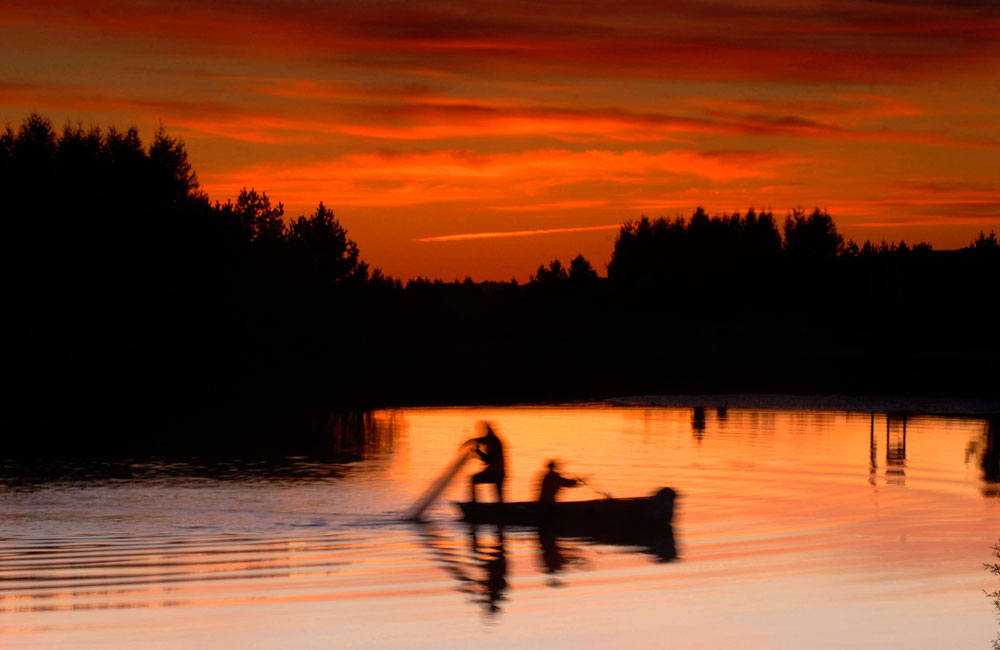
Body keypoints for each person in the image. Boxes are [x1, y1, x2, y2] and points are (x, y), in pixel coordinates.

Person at [466, 421, 505, 503]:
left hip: (495, 473)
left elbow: (489, 460)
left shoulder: (493, 441)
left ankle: (474, 503)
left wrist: (477, 452)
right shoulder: (494, 440)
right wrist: (477, 451)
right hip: (500, 473)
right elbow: (482, 441)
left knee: (474, 479)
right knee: (499, 497)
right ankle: (500, 507)